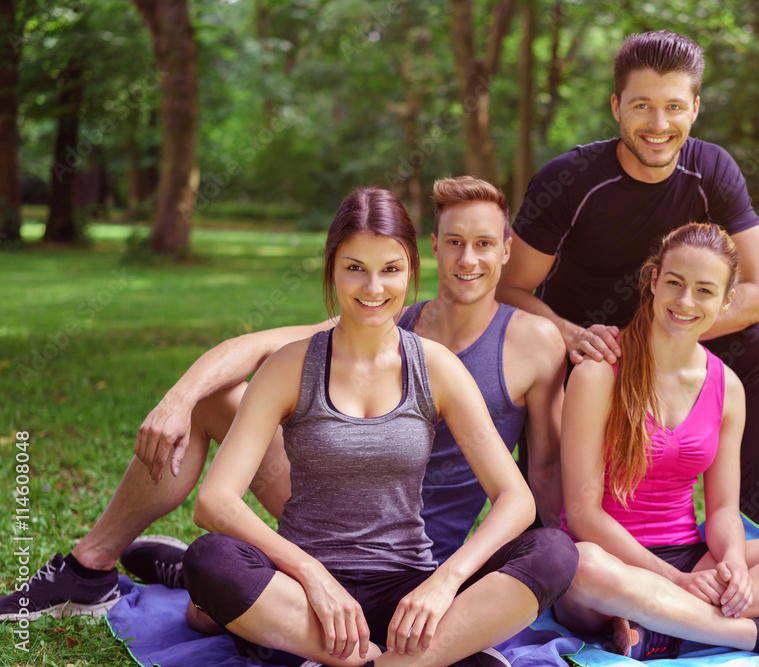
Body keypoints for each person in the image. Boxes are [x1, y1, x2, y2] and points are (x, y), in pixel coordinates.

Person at [0, 177, 569, 631]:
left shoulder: (520, 346)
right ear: (433, 250)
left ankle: (224, 592)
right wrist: (179, 398)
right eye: (454, 242)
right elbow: (252, 349)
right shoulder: (382, 316)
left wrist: (543, 578)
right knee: (211, 422)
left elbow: (538, 475)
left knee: (553, 553)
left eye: (483, 243)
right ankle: (94, 567)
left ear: (505, 250)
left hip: (419, 555)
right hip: (327, 517)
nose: (468, 258)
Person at [181, 185, 577, 667]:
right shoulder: (289, 366)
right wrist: (311, 574)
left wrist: (443, 583)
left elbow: (516, 498)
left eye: (390, 269)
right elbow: (214, 501)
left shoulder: (437, 367)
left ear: (411, 269)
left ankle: (366, 660)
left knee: (554, 552)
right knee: (210, 559)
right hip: (306, 598)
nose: (373, 288)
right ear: (332, 268)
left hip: (405, 589)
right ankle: (409, 660)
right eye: (355, 268)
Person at [497, 29, 759, 530]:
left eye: (674, 107)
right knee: (553, 539)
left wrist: (662, 339)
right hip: (587, 355)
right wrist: (570, 335)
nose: (659, 124)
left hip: (669, 338)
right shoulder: (569, 180)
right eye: (642, 106)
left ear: (695, 109)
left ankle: (746, 528)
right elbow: (508, 290)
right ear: (617, 107)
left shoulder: (712, 170)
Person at [550, 223, 759, 659]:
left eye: (704, 290)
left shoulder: (729, 388)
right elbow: (581, 513)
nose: (685, 301)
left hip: (688, 554)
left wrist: (734, 565)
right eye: (674, 283)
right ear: (653, 281)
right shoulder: (599, 372)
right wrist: (675, 580)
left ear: (726, 300)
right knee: (580, 566)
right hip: (609, 564)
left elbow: (722, 508)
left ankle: (663, 628)